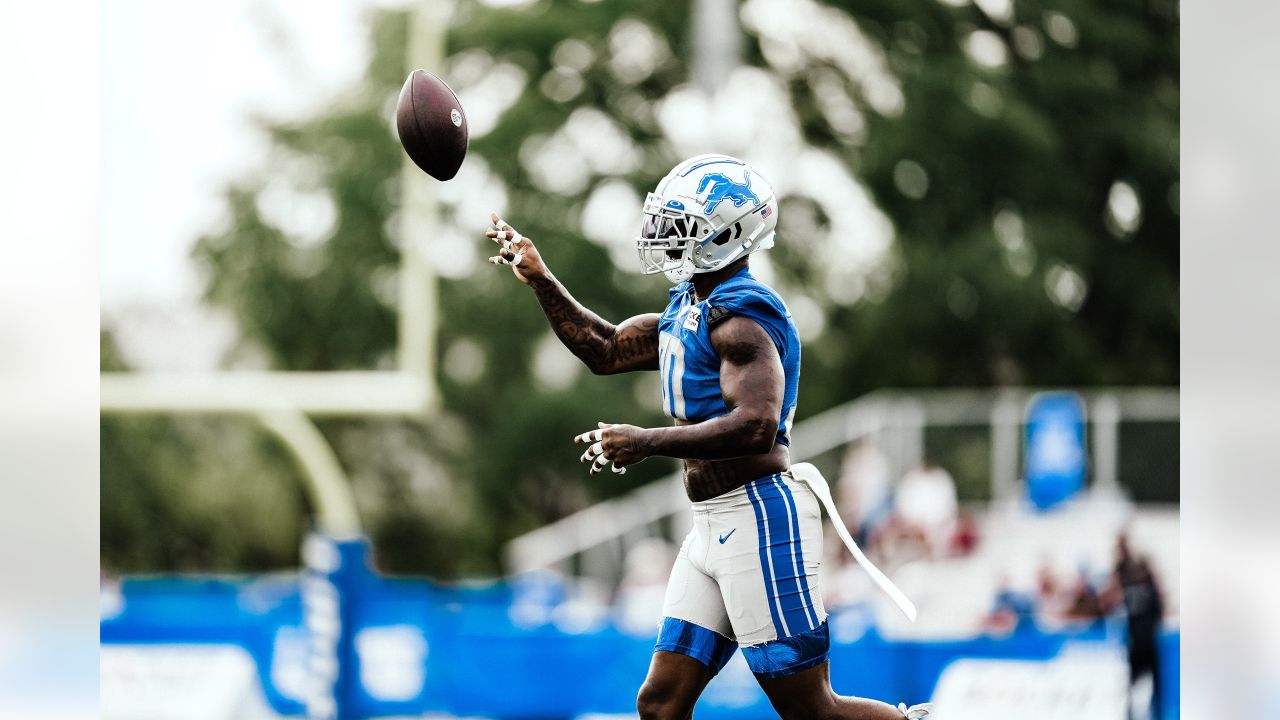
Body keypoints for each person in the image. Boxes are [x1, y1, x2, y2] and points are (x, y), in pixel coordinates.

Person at [484, 154, 931, 720]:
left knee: (811, 710)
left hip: (761, 519)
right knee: (661, 703)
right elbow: (605, 349)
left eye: (682, 224)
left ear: (727, 232)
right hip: (713, 523)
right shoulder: (690, 305)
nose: (667, 236)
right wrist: (542, 278)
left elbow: (756, 424)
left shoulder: (742, 317)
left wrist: (646, 440)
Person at [1101, 533, 1165, 720]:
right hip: (1148, 641)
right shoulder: (1149, 588)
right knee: (1153, 685)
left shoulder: (1126, 586)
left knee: (1132, 685)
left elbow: (1108, 603)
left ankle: (1130, 714)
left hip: (1134, 641)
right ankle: (1153, 713)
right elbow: (1159, 611)